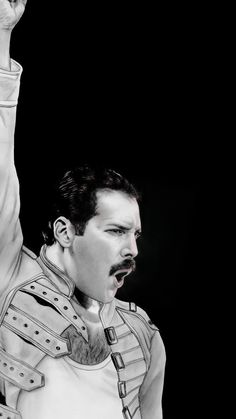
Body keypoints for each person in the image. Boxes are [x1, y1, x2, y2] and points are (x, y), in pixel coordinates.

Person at [0, 1, 166, 418]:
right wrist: (2, 36)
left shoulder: (141, 333)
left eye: (136, 235)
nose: (132, 249)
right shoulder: (11, 278)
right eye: (115, 231)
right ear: (64, 232)